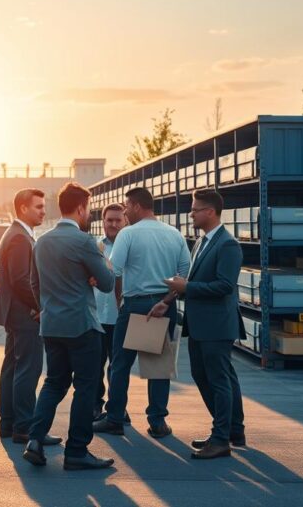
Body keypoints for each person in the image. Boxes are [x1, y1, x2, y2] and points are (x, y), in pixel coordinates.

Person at [23, 182, 116, 471]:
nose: (88, 214)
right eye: (88, 209)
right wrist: (95, 273)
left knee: (54, 382)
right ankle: (76, 450)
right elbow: (108, 282)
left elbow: (33, 283)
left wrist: (45, 309)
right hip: (81, 325)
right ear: (80, 208)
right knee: (85, 387)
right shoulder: (85, 241)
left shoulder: (41, 242)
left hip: (51, 325)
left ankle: (34, 440)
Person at [152, 189, 246, 459]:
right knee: (208, 376)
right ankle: (231, 430)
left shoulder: (227, 245)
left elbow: (224, 286)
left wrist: (187, 286)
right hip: (201, 324)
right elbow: (193, 283)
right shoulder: (201, 242)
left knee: (217, 380)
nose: (190, 213)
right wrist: (169, 299)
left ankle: (220, 439)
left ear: (210, 212)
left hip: (216, 325)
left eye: (195, 209)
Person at [94, 187, 190, 439]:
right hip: (164, 305)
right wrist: (167, 300)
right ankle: (157, 422)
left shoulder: (128, 234)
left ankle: (114, 418)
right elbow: (184, 275)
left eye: (126, 208)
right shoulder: (174, 234)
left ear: (136, 206)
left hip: (135, 304)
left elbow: (113, 271)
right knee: (158, 367)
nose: (124, 212)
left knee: (121, 364)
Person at [0, 189, 60, 446]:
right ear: (23, 209)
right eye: (38, 207)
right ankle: (25, 427)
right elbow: (21, 280)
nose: (43, 211)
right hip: (25, 314)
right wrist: (39, 306)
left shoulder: (16, 234)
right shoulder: (20, 238)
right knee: (27, 370)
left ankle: (8, 423)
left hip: (14, 312)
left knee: (12, 367)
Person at [94, 203, 127, 420]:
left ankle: (117, 408)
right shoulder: (95, 247)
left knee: (118, 367)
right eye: (109, 220)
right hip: (96, 316)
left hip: (120, 316)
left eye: (118, 220)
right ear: (103, 222)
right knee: (95, 365)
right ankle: (95, 405)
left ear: (125, 221)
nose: (113, 224)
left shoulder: (130, 246)